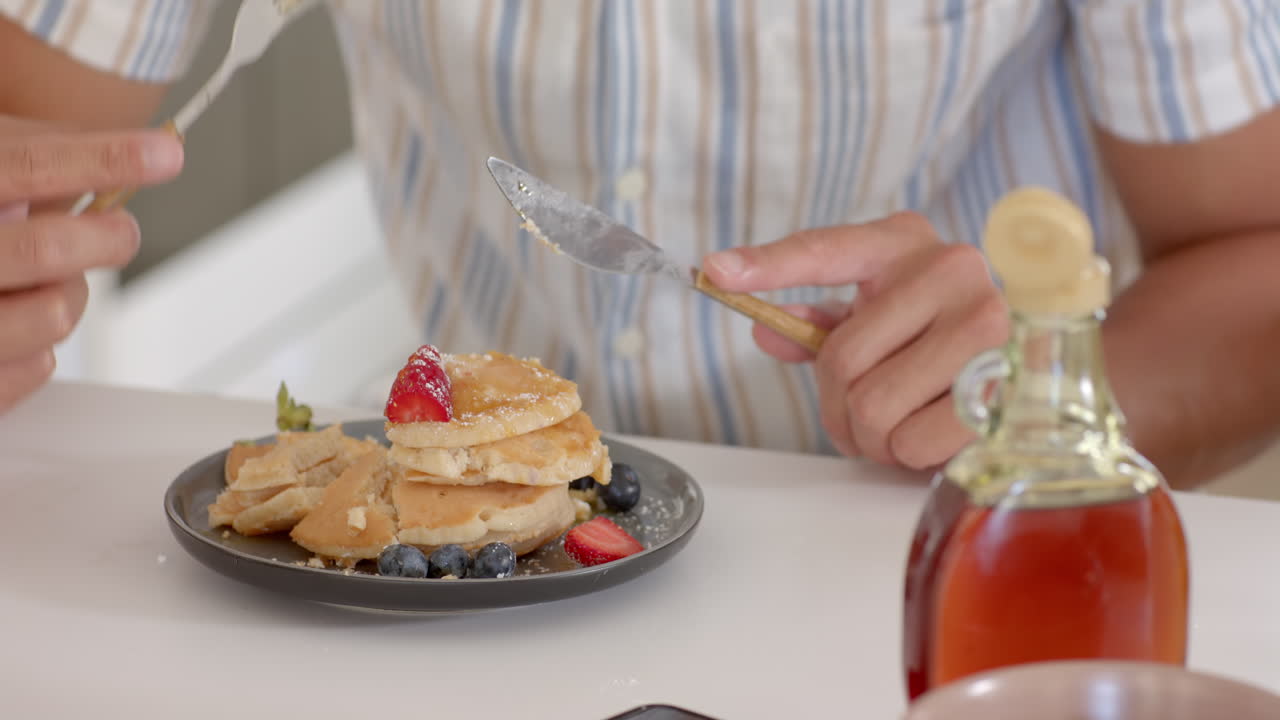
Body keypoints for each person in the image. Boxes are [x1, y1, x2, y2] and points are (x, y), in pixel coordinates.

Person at [2, 1, 1278, 490]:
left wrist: (1043, 389)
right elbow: (32, 159)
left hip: (939, 567)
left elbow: (1253, 254)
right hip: (483, 587)